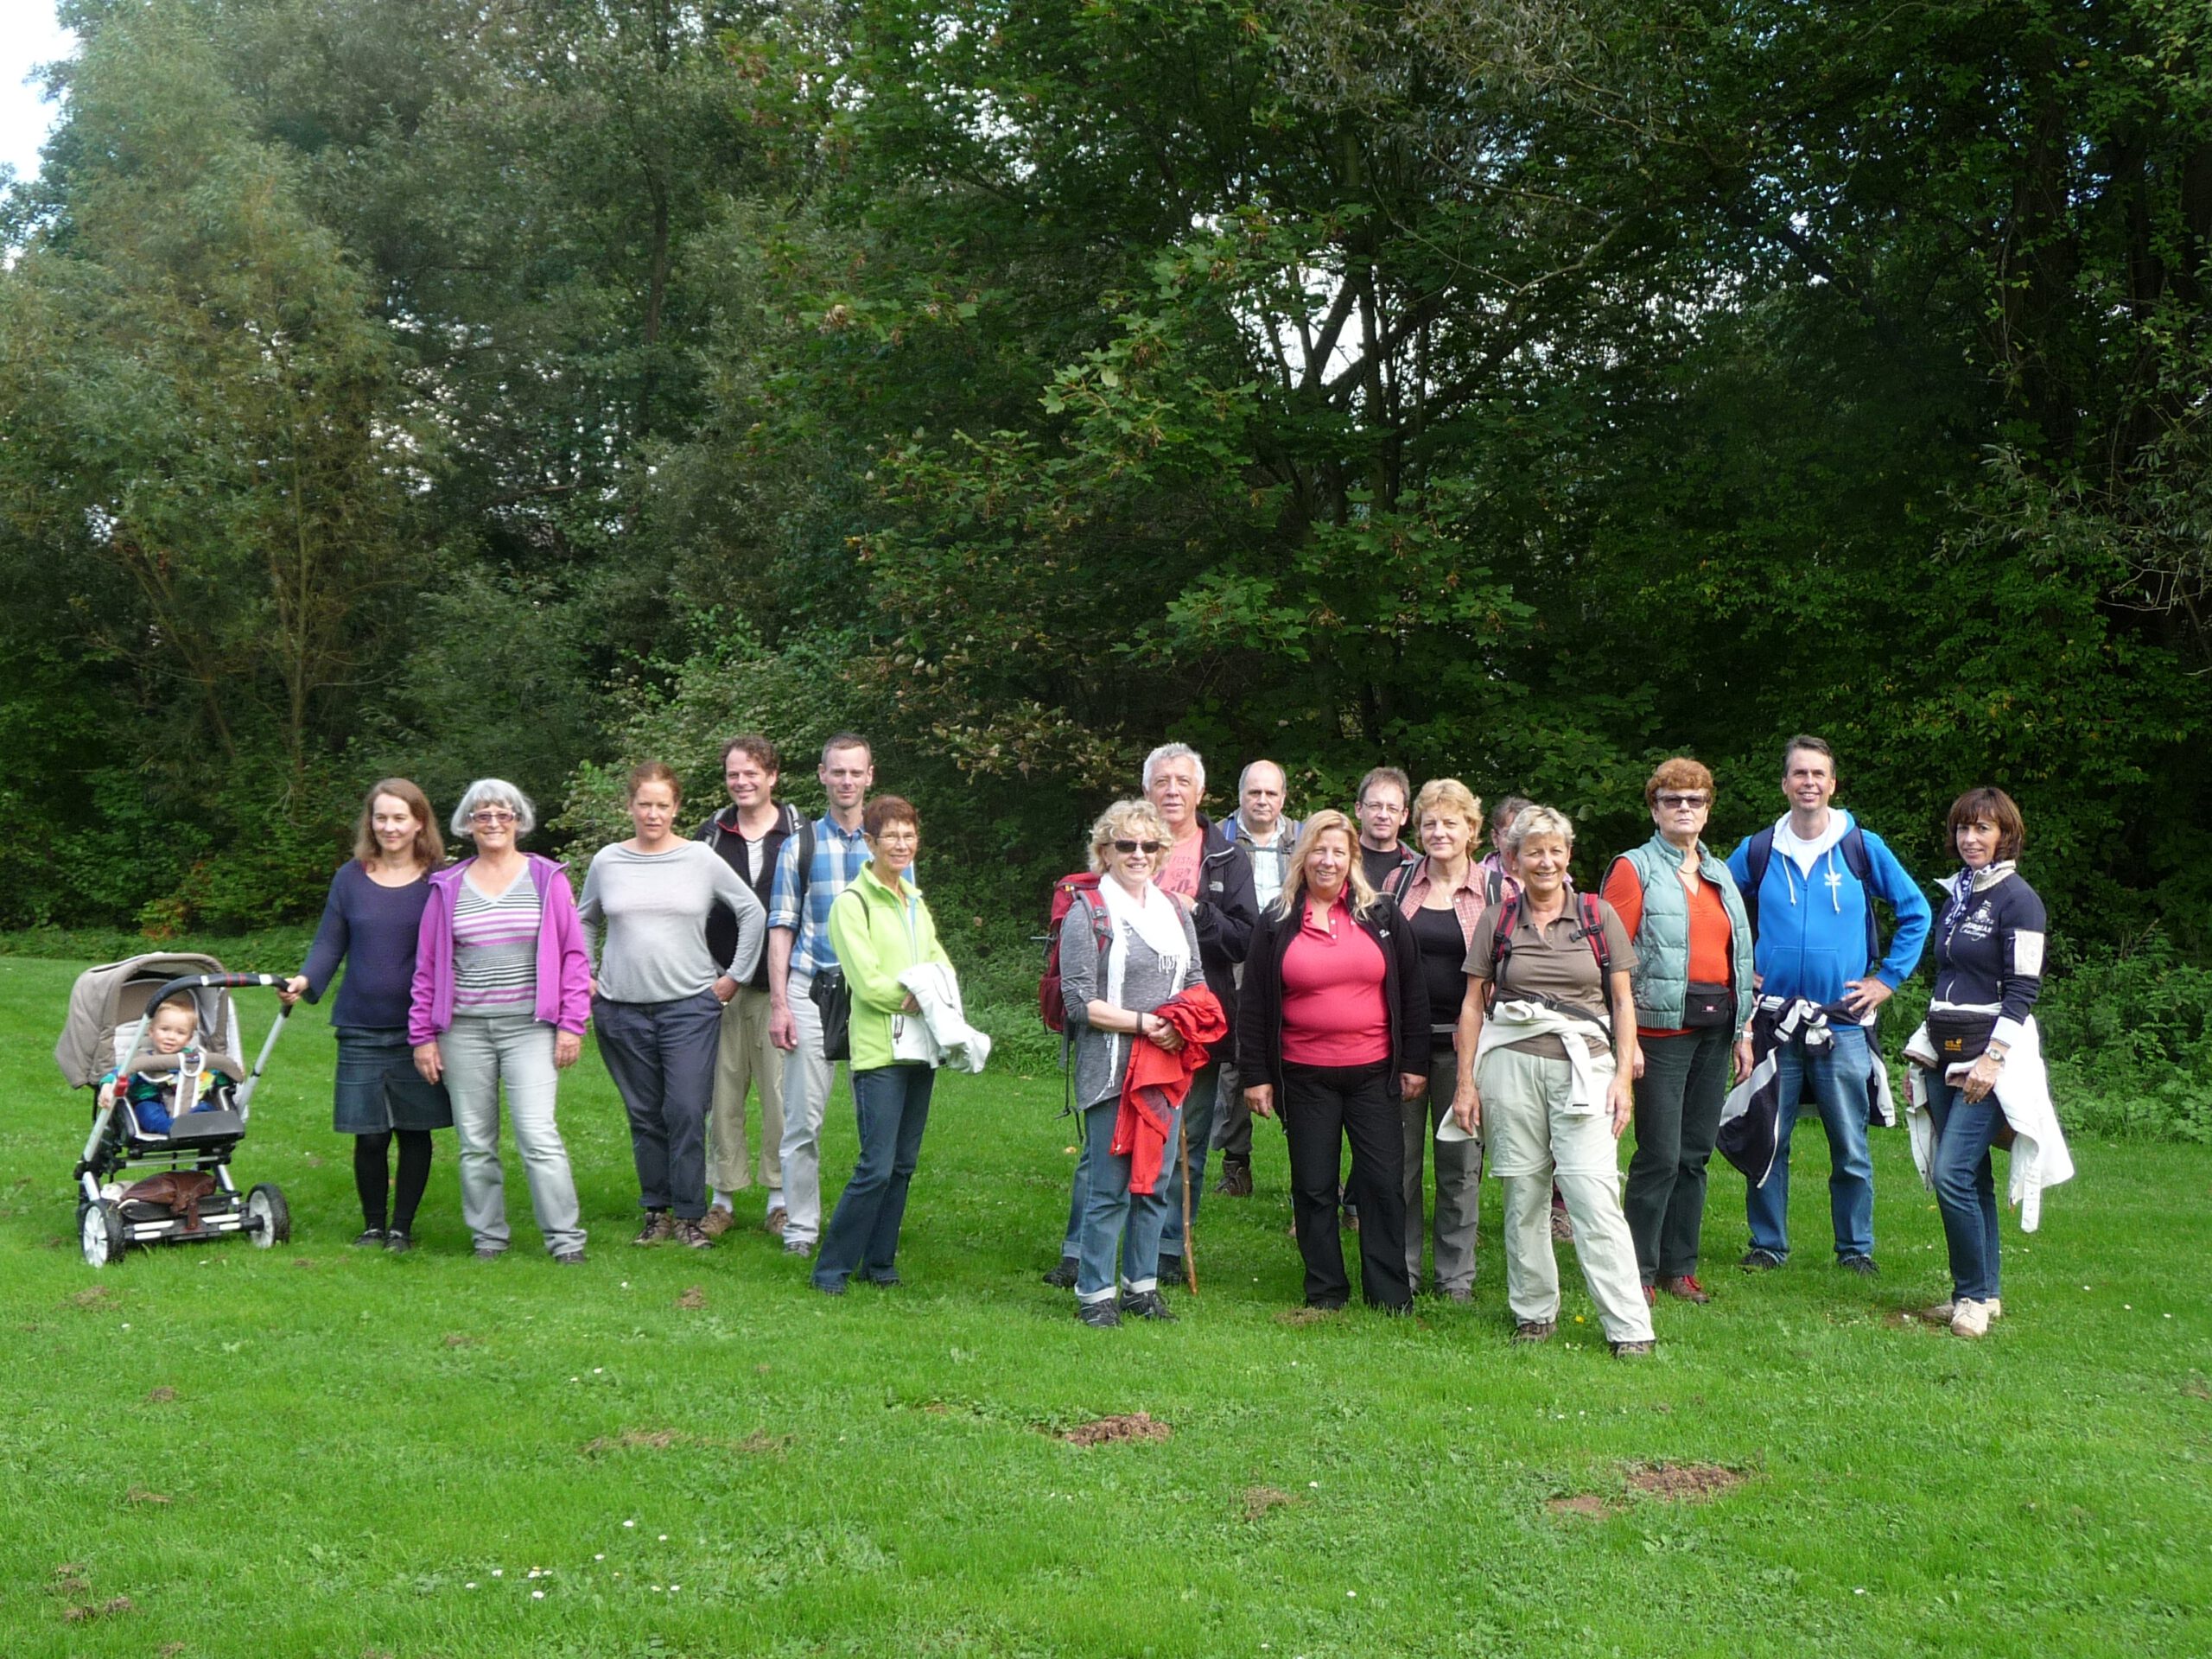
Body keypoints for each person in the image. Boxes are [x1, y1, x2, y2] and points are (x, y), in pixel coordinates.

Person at [1450, 806, 1655, 1354]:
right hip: (1510, 1066)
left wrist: (1623, 1080)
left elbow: (1622, 1002)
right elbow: (1472, 1006)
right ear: (1513, 860)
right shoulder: (1496, 919)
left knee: (1592, 1193)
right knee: (1524, 1194)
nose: (1545, 861)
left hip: (1584, 1067)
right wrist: (1466, 1084)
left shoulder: (1597, 914)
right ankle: (1534, 1312)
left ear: (1568, 856)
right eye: (1533, 851)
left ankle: (1630, 1327)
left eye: (1555, 851)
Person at [1726, 735, 1930, 1275]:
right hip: (1773, 1019)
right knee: (1770, 1138)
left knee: (1851, 1146)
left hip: (1841, 1023)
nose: (1808, 782)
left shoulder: (1861, 846)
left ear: (1832, 784)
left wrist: (1887, 979)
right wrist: (1740, 966)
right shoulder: (1759, 849)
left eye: (1818, 774)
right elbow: (1715, 903)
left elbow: (1916, 911)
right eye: (1799, 774)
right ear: (1785, 783)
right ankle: (1768, 1243)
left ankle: (1855, 1250)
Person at [1238, 810, 1427, 1312]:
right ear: (1303, 857)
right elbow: (1254, 1003)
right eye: (1319, 851)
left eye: (1338, 852)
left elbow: (1412, 993)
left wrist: (1414, 1063)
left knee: (1385, 1184)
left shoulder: (1382, 917)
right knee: (1314, 1186)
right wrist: (1255, 1075)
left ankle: (1389, 1295)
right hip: (1304, 1076)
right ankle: (1325, 1290)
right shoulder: (1276, 920)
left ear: (1352, 859)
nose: (1328, 861)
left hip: (1374, 1073)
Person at [581, 761, 766, 1250]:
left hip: (689, 1007)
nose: (653, 813)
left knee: (685, 1108)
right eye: (645, 804)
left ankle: (689, 1215)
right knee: (644, 1113)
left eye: (663, 805)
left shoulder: (699, 860)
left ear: (676, 808)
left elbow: (751, 910)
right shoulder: (608, 862)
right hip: (621, 1009)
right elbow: (584, 921)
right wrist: (585, 975)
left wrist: (734, 977)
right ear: (630, 806)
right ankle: (655, 1212)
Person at [1906, 788, 2070, 1338]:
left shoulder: (2019, 900)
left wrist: (1993, 1059)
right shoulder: (1956, 896)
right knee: (1970, 1176)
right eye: (1963, 829)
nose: (1970, 839)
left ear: (2006, 835)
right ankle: (1981, 1293)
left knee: (1951, 1175)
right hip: (1944, 1054)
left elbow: (2023, 989)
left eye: (1982, 829)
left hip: (1987, 1059)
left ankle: (1972, 1299)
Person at [410, 779, 592, 1263]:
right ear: (468, 825)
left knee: (538, 1136)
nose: (493, 823)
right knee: (475, 1144)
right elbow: (427, 967)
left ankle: (565, 1241)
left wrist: (573, 1023)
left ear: (519, 821)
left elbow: (575, 956)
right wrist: (423, 1036)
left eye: (503, 814)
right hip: (464, 1031)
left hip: (530, 1029)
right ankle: (488, 1239)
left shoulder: (547, 878)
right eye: (482, 815)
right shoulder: (446, 886)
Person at [1601, 759, 1754, 1306]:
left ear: (1708, 809)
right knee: (1659, 1155)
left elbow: (1737, 955)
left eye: (1694, 800)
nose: (1684, 809)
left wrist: (1743, 1031)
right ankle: (1637, 1270)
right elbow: (1613, 958)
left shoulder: (1720, 874)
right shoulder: (1633, 868)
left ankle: (1679, 1267)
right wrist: (1626, 1042)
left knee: (1694, 1154)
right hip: (1657, 1035)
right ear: (1654, 808)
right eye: (1672, 800)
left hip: (1716, 1030)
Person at [1058, 799, 1209, 1326]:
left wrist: (1182, 1025)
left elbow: (1196, 983)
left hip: (1165, 1071)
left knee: (1156, 1184)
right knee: (1110, 1187)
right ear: (1106, 851)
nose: (1138, 854)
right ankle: (1094, 1295)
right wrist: (1148, 1024)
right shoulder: (1088, 912)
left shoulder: (1173, 910)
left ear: (1163, 852)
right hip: (1111, 1070)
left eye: (1149, 845)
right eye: (1126, 845)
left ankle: (1141, 1288)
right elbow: (1080, 1002)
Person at [284, 779, 453, 1251]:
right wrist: (305, 980)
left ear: (419, 821)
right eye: (381, 817)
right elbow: (329, 942)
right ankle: (373, 1225)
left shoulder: (441, 879)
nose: (389, 827)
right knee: (371, 1134)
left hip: (419, 1030)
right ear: (370, 822)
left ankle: (402, 1228)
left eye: (400, 817)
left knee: (414, 1131)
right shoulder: (351, 877)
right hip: (359, 1023)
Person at [813, 795, 954, 1294]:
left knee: (903, 1164)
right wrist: (920, 996)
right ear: (869, 843)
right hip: (879, 1052)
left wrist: (935, 993)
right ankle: (831, 1269)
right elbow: (868, 983)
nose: (901, 844)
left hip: (921, 1048)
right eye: (890, 835)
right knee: (875, 1166)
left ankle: (880, 1264)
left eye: (909, 834)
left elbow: (941, 964)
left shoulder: (914, 901)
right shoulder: (852, 904)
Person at [768, 734, 877, 1260]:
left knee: (875, 1121)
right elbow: (781, 926)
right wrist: (779, 1004)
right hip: (812, 990)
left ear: (869, 776)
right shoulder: (801, 844)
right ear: (822, 775)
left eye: (855, 772)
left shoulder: (889, 845)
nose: (847, 781)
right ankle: (801, 1230)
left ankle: (866, 1229)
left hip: (873, 999)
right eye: (838, 772)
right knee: (802, 1121)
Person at [695, 734, 805, 1237]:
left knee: (782, 1097)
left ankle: (780, 1200)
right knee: (723, 1095)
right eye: (733, 774)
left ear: (773, 777)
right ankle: (722, 1199)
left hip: (782, 989)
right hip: (720, 987)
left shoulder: (800, 833)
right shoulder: (710, 835)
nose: (741, 783)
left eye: (751, 774)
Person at [1389, 779, 1489, 1301]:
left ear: (1472, 830)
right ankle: (1401, 1273)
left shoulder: (1497, 892)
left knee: (1459, 1167)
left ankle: (1456, 1280)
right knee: (1398, 1165)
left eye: (1451, 823)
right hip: (1403, 1047)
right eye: (1429, 822)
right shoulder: (1398, 885)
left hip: (1466, 1049)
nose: (1438, 832)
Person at [1213, 759, 1300, 1198]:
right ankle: (1235, 1164)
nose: (1263, 800)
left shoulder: (1304, 838)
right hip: (1235, 958)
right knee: (1233, 1058)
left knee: (1295, 1053)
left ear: (1283, 798)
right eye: (1254, 792)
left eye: (1271, 793)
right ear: (1241, 796)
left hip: (1295, 957)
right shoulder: (1219, 839)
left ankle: (1307, 1156)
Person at [99, 995, 235, 1133]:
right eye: (164, 1029)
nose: (171, 1037)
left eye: (180, 1033)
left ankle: (196, 1123)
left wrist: (228, 1076)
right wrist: (108, 1084)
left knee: (206, 1108)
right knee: (147, 1112)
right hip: (151, 1100)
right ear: (151, 1032)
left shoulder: (193, 1059)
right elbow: (122, 1072)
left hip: (185, 1102)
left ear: (189, 1039)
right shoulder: (142, 1059)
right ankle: (173, 1128)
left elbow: (212, 1075)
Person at [1354, 766, 1418, 893]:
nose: (1383, 815)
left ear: (1404, 815)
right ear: (1359, 809)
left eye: (1392, 809)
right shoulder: (1337, 859)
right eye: (1375, 806)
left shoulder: (1418, 869)